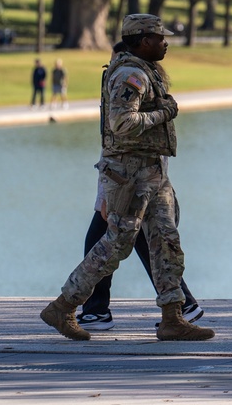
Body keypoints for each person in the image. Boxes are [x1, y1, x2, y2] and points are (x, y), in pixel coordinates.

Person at [39, 14, 214, 342]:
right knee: (116, 244)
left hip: (152, 172)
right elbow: (123, 123)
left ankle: (173, 317)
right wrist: (165, 112)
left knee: (166, 240)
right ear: (143, 40)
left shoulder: (144, 70)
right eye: (160, 38)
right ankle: (64, 306)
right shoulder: (131, 74)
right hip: (129, 176)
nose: (166, 43)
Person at [76, 41, 205, 331]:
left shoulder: (131, 78)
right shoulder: (141, 77)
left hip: (131, 177)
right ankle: (182, 304)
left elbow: (126, 130)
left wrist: (106, 193)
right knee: (147, 239)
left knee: (111, 239)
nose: (113, 62)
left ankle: (91, 309)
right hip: (138, 173)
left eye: (118, 55)